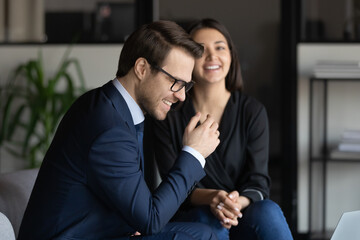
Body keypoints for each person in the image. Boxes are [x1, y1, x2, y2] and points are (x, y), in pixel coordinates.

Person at [17, 20, 221, 240]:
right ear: (141, 68)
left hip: (99, 230)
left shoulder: (108, 105)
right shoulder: (109, 127)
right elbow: (150, 219)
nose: (181, 95)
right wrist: (194, 153)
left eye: (186, 85)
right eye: (175, 82)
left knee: (204, 229)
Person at [145, 18, 294, 240]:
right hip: (195, 217)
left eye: (220, 47)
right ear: (188, 60)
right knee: (207, 222)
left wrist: (233, 202)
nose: (212, 56)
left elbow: (258, 182)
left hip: (240, 213)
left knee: (268, 210)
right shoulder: (169, 115)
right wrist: (212, 197)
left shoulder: (252, 111)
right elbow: (172, 184)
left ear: (231, 56)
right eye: (201, 50)